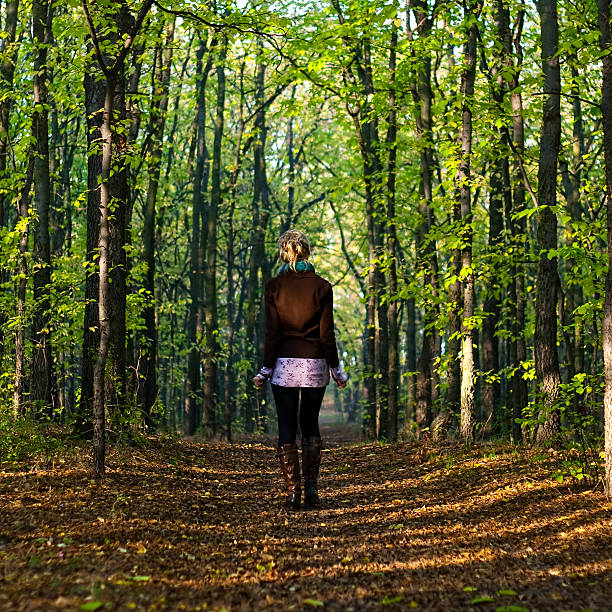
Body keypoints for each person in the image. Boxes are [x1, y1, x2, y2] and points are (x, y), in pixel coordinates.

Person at [253, 229, 348, 510]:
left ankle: (293, 493)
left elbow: (272, 334)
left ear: (285, 252)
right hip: (315, 366)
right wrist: (336, 368)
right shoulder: (322, 286)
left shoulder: (274, 287)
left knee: (286, 426)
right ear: (306, 252)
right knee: (310, 424)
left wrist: (265, 369)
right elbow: (326, 334)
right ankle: (312, 491)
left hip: (283, 366)